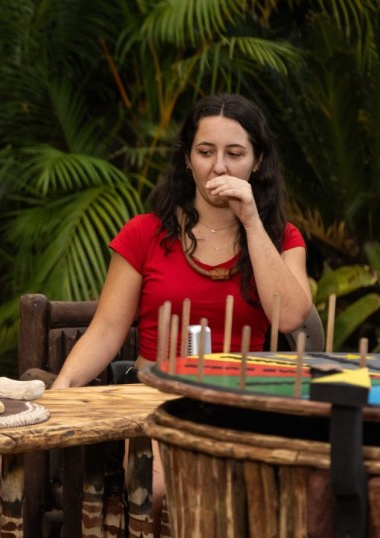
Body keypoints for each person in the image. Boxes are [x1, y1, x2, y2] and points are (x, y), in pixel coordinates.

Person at [51, 93, 312, 533]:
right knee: (163, 491)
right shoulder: (145, 233)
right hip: (159, 401)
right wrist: (62, 389)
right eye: (206, 152)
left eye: (235, 154)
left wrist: (250, 222)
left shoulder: (280, 237)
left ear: (258, 161)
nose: (219, 167)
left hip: (244, 407)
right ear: (188, 159)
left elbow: (290, 318)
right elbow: (106, 332)